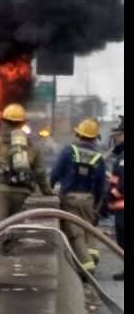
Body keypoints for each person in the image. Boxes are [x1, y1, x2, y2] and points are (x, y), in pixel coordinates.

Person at [0, 104, 53, 256]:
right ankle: (11, 263)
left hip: (0, 193)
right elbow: (40, 173)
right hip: (22, 193)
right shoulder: (32, 146)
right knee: (14, 230)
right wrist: (48, 192)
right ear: (23, 123)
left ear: (3, 121)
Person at [50, 118, 106, 274]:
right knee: (89, 229)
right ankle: (93, 254)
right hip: (89, 199)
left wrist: (49, 189)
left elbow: (55, 174)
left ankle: (87, 268)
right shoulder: (98, 157)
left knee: (76, 234)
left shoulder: (68, 151)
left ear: (78, 134)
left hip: (70, 199)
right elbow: (101, 186)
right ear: (95, 137)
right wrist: (96, 206)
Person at [107, 118, 124, 280]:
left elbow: (122, 184)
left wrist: (112, 194)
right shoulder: (120, 156)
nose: (116, 139)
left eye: (118, 135)